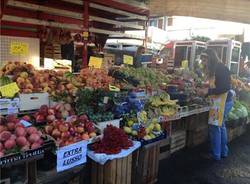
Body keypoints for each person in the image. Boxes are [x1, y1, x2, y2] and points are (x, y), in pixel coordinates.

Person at [198, 49, 234, 161]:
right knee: (221, 126)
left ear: (211, 58)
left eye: (205, 59)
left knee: (214, 127)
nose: (204, 62)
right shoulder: (216, 68)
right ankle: (223, 152)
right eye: (202, 59)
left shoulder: (221, 68)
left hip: (223, 103)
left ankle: (215, 155)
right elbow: (217, 84)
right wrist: (205, 86)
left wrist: (208, 92)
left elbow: (225, 87)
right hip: (221, 102)